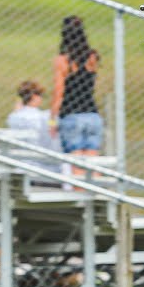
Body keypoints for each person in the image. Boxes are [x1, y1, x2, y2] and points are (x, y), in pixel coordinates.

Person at [50, 15, 102, 172]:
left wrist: (52, 120)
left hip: (71, 115)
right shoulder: (92, 58)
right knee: (93, 168)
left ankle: (81, 194)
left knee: (77, 168)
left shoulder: (62, 60)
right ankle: (96, 195)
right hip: (93, 116)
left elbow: (59, 92)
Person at [6, 79, 62, 175]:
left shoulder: (12, 117)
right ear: (34, 96)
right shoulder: (44, 117)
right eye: (40, 96)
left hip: (21, 166)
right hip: (44, 168)